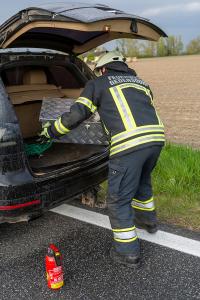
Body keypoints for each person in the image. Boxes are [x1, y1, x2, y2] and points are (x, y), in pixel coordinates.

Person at [40, 51, 165, 268]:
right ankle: (148, 222)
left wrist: (51, 132)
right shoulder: (141, 83)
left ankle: (127, 253)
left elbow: (77, 114)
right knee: (142, 182)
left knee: (118, 200)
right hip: (155, 140)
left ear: (103, 69)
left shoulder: (98, 84)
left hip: (129, 145)